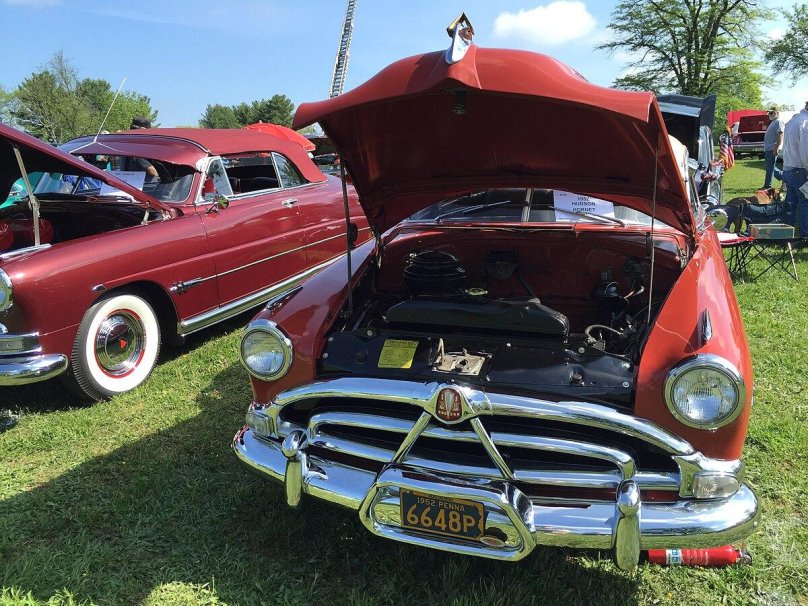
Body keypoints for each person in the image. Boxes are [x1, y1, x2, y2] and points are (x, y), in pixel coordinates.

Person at [782, 100, 808, 236]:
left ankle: (786, 234)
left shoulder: (794, 120)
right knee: (805, 204)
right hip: (800, 169)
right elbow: (806, 151)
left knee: (791, 205)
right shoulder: (805, 122)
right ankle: (805, 236)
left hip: (789, 168)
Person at [126, 116, 159, 182]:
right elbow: (152, 171)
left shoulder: (125, 144)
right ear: (143, 129)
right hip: (146, 187)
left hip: (130, 184)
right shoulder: (138, 147)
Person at [763, 106, 785, 189]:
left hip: (772, 148)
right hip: (769, 148)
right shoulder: (773, 121)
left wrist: (776, 147)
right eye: (769, 112)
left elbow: (780, 134)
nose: (770, 114)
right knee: (770, 167)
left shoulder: (778, 121)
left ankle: (767, 186)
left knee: (770, 168)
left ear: (777, 113)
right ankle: (787, 178)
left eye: (772, 112)